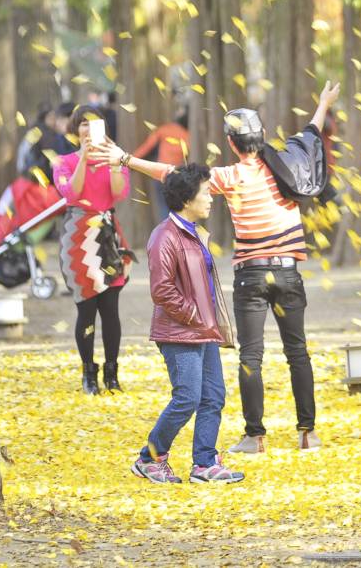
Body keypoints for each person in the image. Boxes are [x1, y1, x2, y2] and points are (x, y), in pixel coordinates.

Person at [109, 84, 341, 451]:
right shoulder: (289, 168)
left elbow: (173, 174)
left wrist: (127, 160)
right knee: (297, 350)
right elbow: (310, 136)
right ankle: (307, 433)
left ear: (232, 144)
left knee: (252, 355)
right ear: (262, 137)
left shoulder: (232, 177)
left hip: (251, 275)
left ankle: (255, 435)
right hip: (288, 272)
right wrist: (323, 102)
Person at [132, 163, 244, 485]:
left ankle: (204, 464)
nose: (211, 199)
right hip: (180, 332)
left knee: (213, 397)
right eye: (206, 193)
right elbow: (162, 290)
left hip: (203, 331)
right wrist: (195, 315)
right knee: (187, 398)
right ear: (186, 199)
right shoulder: (164, 236)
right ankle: (149, 458)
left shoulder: (195, 233)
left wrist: (208, 322)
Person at [53, 104, 134, 395]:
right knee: (86, 310)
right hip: (77, 237)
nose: (89, 128)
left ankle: (112, 373)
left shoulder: (115, 159)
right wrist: (84, 159)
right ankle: (89, 373)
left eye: (95, 123)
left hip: (108, 235)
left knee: (110, 309)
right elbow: (71, 193)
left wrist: (114, 164)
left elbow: (119, 193)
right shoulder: (62, 162)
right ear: (75, 130)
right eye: (83, 123)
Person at [133, 110, 191, 215]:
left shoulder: (165, 129)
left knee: (164, 206)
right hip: (178, 175)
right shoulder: (188, 136)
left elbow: (146, 147)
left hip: (160, 173)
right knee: (177, 209)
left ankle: (166, 229)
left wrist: (130, 160)